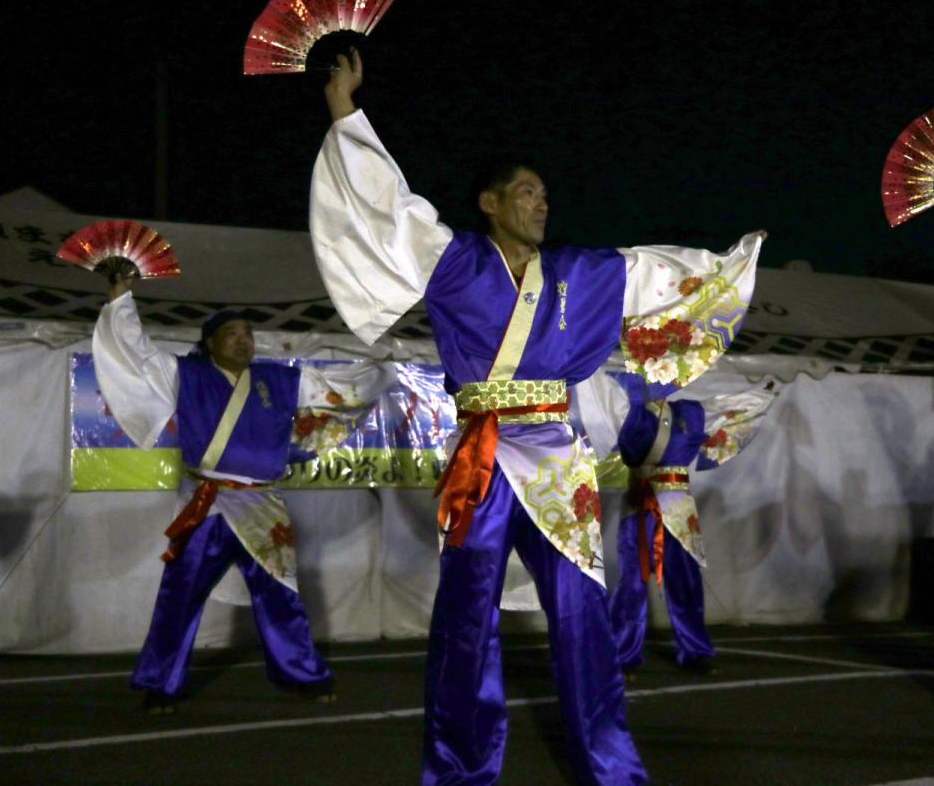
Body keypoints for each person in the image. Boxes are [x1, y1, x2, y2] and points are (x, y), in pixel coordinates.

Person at [310, 50, 763, 786]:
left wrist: (733, 264)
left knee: (582, 616)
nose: (540, 203)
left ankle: (611, 765)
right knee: (465, 621)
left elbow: (655, 271)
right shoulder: (455, 262)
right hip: (482, 456)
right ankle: (460, 767)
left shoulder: (582, 274)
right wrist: (342, 107)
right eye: (525, 192)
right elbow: (388, 209)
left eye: (545, 193)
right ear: (489, 203)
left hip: (556, 454)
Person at [93, 269, 396, 713]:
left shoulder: (281, 380)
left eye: (248, 333)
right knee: (179, 594)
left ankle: (302, 675)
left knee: (281, 596)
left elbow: (339, 391)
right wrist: (121, 298)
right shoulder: (185, 374)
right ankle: (161, 682)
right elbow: (133, 355)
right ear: (210, 342)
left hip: (263, 504)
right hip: (207, 503)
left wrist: (379, 367)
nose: (242, 340)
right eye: (231, 333)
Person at [577, 371, 777, 678]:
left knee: (685, 581)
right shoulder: (628, 415)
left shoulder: (689, 413)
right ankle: (623, 654)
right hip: (639, 504)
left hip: (679, 509)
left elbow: (727, 407)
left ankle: (695, 651)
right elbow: (598, 394)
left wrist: (763, 392)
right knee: (631, 583)